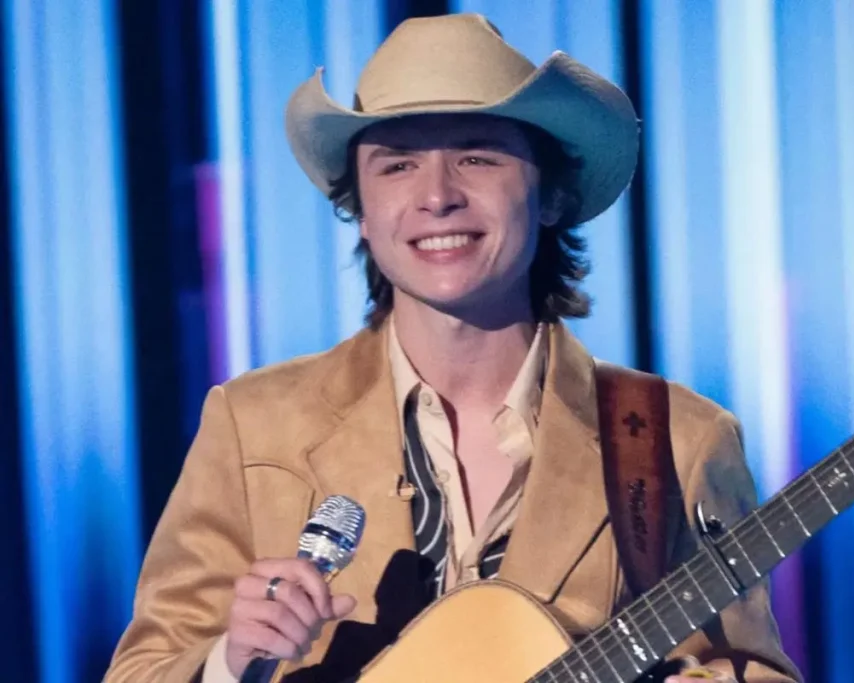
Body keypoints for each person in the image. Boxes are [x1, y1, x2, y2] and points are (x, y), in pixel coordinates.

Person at [104, 13, 801, 683]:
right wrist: (231, 659)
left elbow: (745, 664)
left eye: (476, 155)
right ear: (361, 211)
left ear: (551, 194)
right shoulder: (252, 424)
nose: (437, 195)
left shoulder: (676, 438)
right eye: (398, 165)